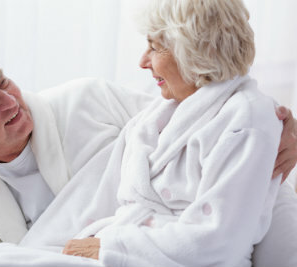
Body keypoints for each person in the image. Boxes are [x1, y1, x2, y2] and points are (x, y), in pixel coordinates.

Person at [0, 23, 297, 267]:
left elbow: (203, 116)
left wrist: (275, 126)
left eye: (2, 82)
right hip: (96, 256)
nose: (8, 101)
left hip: (158, 243)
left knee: (273, 189)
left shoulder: (88, 101)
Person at [57, 0, 297, 266]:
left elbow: (217, 240)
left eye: (155, 47)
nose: (142, 61)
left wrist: (108, 247)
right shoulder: (158, 115)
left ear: (196, 51)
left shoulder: (247, 121)